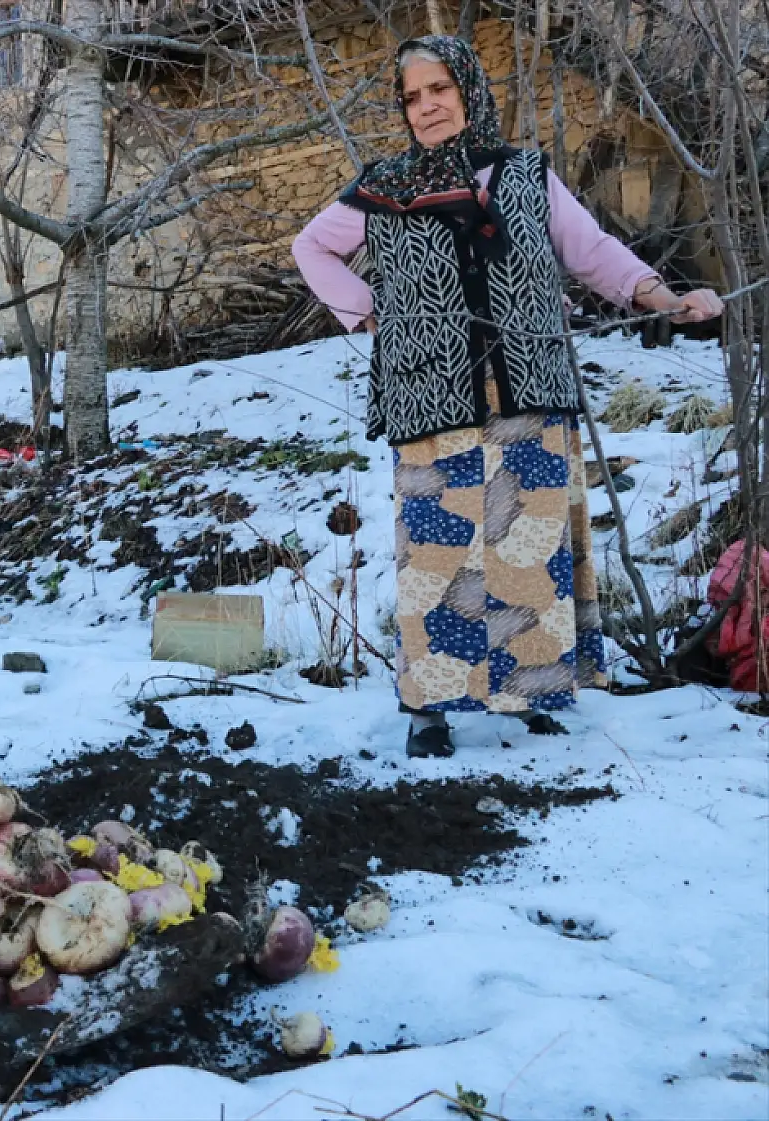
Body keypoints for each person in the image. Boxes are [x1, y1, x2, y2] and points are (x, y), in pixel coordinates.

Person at [292, 35, 723, 758]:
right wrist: (367, 311)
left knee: (526, 547)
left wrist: (661, 294)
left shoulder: (525, 175)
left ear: (467, 91)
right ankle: (430, 709)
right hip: (431, 396)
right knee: (438, 556)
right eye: (413, 96)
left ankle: (527, 691)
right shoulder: (383, 186)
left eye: (439, 90)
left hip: (527, 388)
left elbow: (589, 251)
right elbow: (312, 247)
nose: (426, 106)